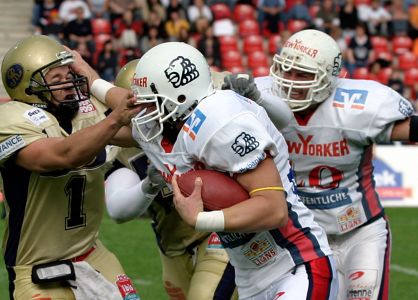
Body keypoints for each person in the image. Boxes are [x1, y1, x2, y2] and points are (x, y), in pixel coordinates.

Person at [128, 41, 338, 299]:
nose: (145, 112)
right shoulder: (181, 131)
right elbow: (123, 105)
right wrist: (90, 78)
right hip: (250, 278)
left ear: (180, 96)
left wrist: (200, 219)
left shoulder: (221, 121)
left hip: (294, 263)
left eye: (153, 102)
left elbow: (274, 209)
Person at [224, 29, 417, 300]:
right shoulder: (259, 96)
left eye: (302, 74)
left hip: (358, 231)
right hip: (302, 238)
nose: (290, 81)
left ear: (331, 78)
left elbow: (412, 129)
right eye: (285, 70)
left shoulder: (357, 105)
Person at [0, 35, 142, 300]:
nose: (70, 83)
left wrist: (92, 76)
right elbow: (64, 155)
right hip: (37, 267)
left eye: (70, 73)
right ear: (28, 88)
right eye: (56, 80)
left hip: (93, 254)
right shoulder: (4, 121)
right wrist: (113, 119)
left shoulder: (85, 110)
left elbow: (148, 128)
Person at [105, 59, 239, 300]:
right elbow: (117, 210)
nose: (151, 114)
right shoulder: (122, 148)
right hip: (172, 246)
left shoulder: (200, 128)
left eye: (155, 104)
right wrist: (149, 184)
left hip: (217, 233)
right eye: (142, 106)